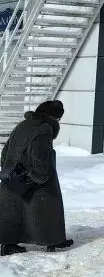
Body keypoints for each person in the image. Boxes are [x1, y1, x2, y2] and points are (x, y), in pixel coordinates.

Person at [0, 101, 73, 255]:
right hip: (31, 178)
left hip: (13, 178)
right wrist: (38, 176)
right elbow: (39, 156)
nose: (59, 122)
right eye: (58, 119)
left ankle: (8, 244)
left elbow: (5, 151)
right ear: (52, 116)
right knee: (48, 207)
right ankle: (53, 240)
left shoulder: (24, 124)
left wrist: (10, 169)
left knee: (13, 212)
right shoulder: (44, 128)